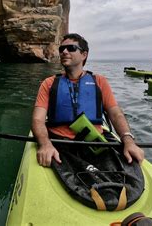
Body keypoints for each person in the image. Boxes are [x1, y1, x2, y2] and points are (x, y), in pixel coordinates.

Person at [32, 33, 144, 167]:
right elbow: (38, 120)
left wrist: (128, 141)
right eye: (62, 49)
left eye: (71, 48)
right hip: (59, 142)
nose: (64, 52)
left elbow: (115, 114)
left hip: (94, 143)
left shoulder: (99, 81)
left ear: (84, 55)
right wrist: (45, 144)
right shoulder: (49, 83)